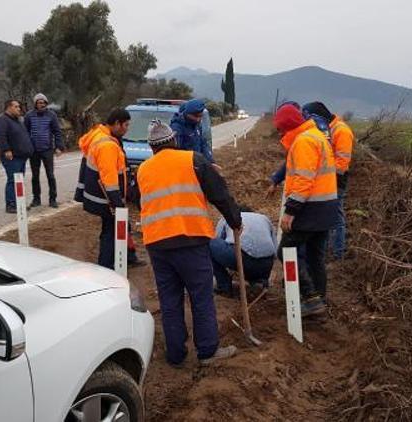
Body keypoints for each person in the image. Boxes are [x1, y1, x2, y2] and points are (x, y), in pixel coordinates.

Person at [137, 119, 242, 367]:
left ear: (152, 147)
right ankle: (207, 351)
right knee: (201, 295)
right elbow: (219, 193)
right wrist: (235, 220)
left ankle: (176, 354)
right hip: (190, 239)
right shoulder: (193, 160)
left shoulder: (143, 169)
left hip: (157, 243)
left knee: (169, 299)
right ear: (173, 141)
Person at [273, 103, 339, 317]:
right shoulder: (317, 136)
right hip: (326, 209)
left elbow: (304, 180)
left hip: (310, 209)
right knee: (314, 257)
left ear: (288, 126)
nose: (280, 133)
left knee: (285, 251)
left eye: (281, 129)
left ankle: (310, 298)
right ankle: (319, 301)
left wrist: (291, 211)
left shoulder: (303, 142)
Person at [76, 109, 140, 269]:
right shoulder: (107, 145)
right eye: (126, 125)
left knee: (121, 226)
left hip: (101, 195)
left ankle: (128, 256)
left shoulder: (99, 135)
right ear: (117, 123)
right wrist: (117, 202)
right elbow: (109, 178)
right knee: (110, 231)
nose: (127, 129)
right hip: (106, 197)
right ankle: (106, 265)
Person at [302, 102, 354, 259]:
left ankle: (337, 254)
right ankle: (325, 252)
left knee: (336, 219)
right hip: (328, 181)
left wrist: (322, 174)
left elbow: (342, 164)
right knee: (325, 218)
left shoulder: (341, 130)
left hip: (337, 181)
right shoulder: (329, 130)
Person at [209, 206, 276, 296]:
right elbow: (275, 249)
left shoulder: (228, 217)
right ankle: (259, 281)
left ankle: (224, 287)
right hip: (266, 263)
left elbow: (218, 241)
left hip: (241, 258)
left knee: (210, 244)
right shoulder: (264, 218)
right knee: (254, 258)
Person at [0, 99, 34, 214]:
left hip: (21, 156)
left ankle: (19, 203)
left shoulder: (18, 120)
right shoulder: (2, 121)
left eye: (18, 107)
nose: (19, 109)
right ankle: (11, 204)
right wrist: (6, 149)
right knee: (13, 180)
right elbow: (1, 136)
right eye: (16, 107)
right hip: (12, 157)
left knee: (19, 181)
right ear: (9, 107)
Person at [24, 93, 64, 208]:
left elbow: (57, 132)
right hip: (34, 151)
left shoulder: (51, 115)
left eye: (43, 103)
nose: (41, 105)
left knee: (50, 175)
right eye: (38, 103)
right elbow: (25, 132)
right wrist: (27, 147)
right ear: (35, 104)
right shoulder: (29, 116)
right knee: (35, 176)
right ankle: (36, 199)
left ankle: (53, 199)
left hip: (47, 150)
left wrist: (59, 147)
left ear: (46, 103)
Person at [170, 99, 215, 163]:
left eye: (200, 116)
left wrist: (210, 162)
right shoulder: (177, 128)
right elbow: (176, 152)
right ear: (187, 113)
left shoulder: (196, 125)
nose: (198, 119)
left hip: (197, 165)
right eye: (195, 116)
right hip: (186, 167)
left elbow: (203, 144)